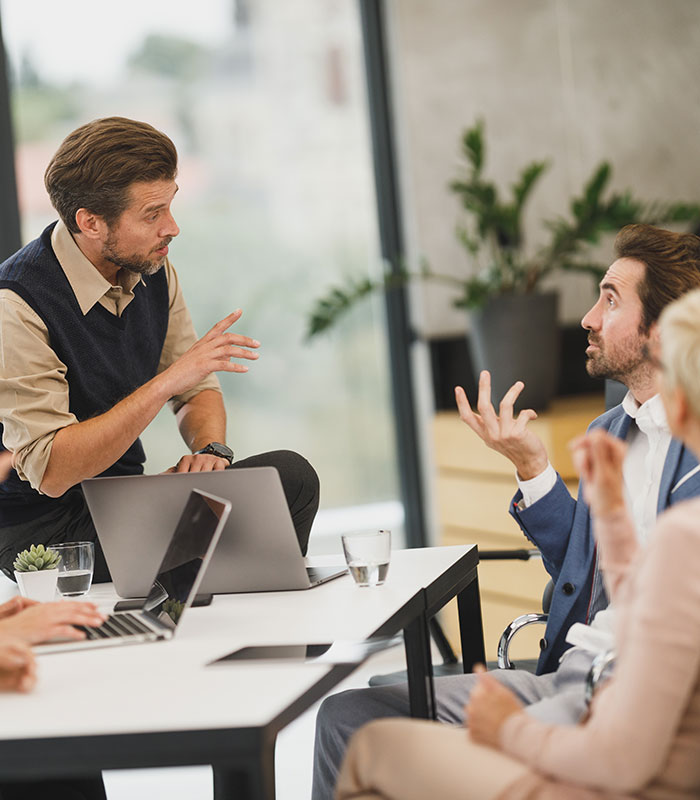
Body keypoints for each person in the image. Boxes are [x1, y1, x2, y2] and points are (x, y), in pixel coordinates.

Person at [312, 224, 700, 798]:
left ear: (662, 333)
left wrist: (515, 729)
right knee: (348, 717)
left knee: (393, 754)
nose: (588, 318)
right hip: (568, 673)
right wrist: (534, 469)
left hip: (620, 695)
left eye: (610, 300)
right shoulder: (611, 430)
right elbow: (587, 577)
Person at [0, 117, 319, 582]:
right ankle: (207, 617)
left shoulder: (150, 267)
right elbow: (52, 472)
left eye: (170, 207)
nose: (172, 227)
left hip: (125, 505)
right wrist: (167, 381)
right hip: (47, 534)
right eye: (152, 214)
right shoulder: (16, 304)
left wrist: (211, 450)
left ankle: (223, 622)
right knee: (241, 534)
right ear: (89, 222)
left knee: (288, 479)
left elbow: (197, 388)